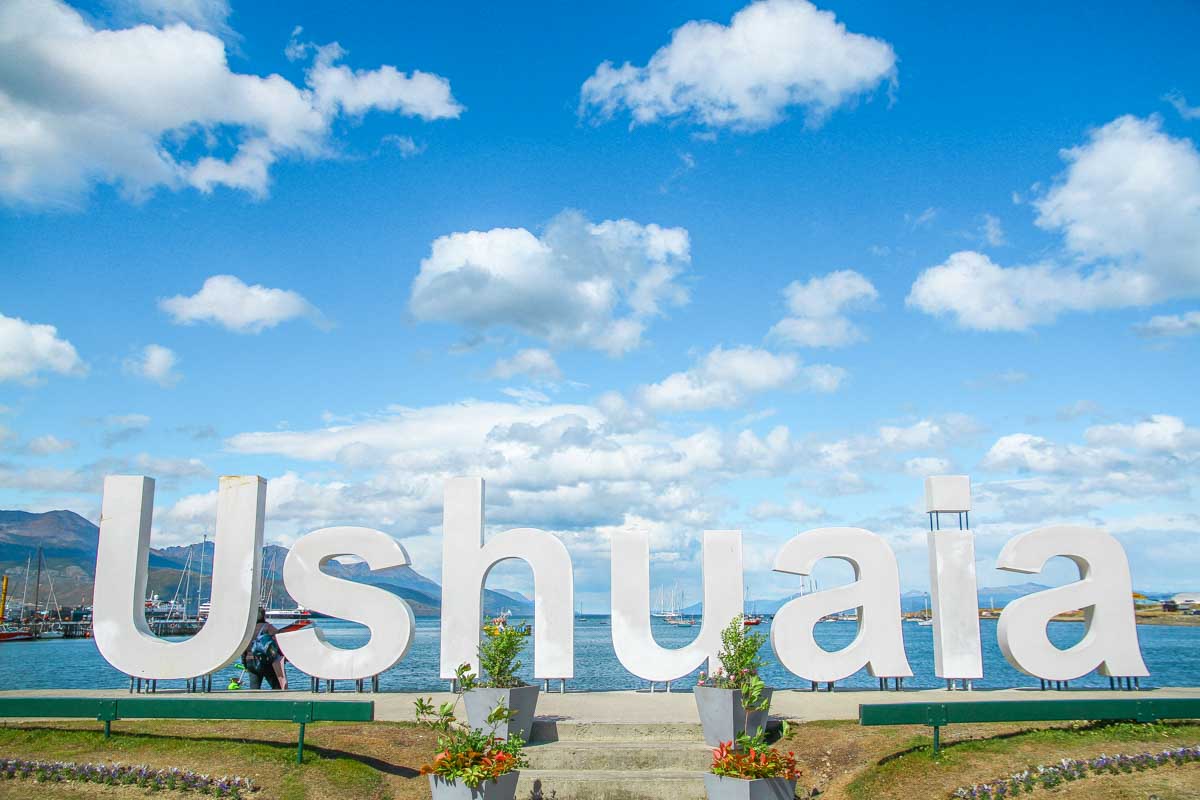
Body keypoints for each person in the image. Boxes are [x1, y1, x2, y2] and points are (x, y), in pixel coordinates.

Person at [241, 607, 288, 690]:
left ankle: (254, 702)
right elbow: (279, 639)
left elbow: (242, 648)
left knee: (254, 688)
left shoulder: (247, 629)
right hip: (265, 661)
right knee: (277, 687)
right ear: (263, 616)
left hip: (250, 661)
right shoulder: (268, 627)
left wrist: (245, 663)